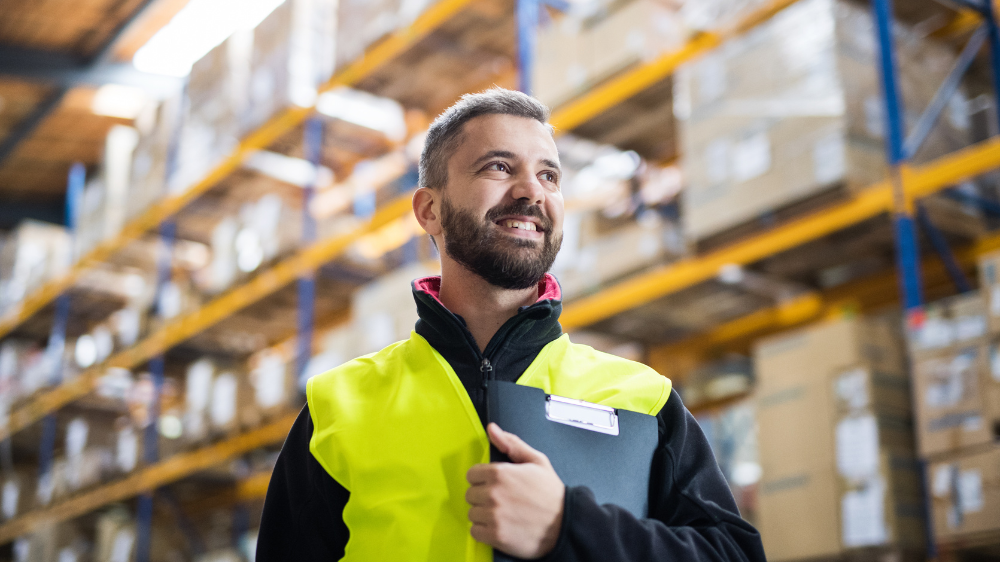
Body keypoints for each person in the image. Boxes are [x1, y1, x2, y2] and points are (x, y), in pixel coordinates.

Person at [256, 88, 766, 561]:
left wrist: (570, 525)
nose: (531, 191)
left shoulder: (643, 399)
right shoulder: (338, 409)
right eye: (499, 167)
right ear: (430, 210)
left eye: (549, 176)